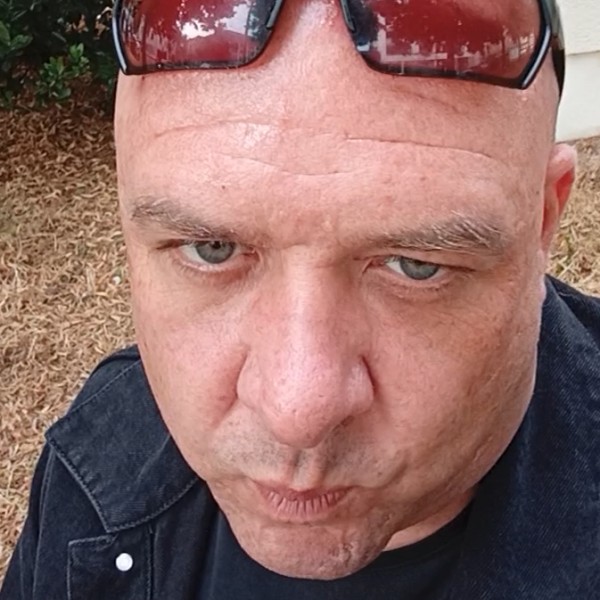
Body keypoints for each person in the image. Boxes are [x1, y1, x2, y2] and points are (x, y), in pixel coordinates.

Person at [2, 0, 599, 598]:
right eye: (211, 249)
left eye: (417, 266)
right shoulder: (98, 452)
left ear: (542, 222)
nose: (297, 411)